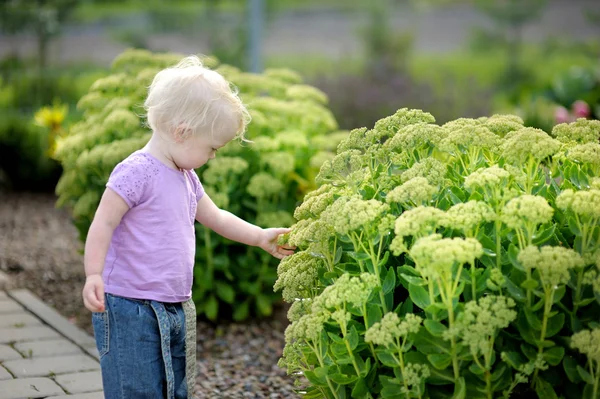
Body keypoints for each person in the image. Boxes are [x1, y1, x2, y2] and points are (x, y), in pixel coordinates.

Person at [81, 56, 294, 399]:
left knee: (174, 387)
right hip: (130, 307)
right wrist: (94, 274)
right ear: (182, 132)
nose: (213, 157)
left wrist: (259, 236)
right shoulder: (137, 172)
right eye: (212, 148)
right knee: (135, 390)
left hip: (175, 305)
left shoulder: (187, 178)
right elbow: (103, 222)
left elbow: (217, 216)